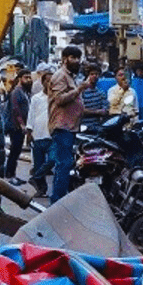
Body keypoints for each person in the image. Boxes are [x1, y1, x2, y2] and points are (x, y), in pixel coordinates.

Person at [48, 45, 97, 201]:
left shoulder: (70, 77)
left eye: (78, 58)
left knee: (65, 164)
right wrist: (79, 89)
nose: (76, 61)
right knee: (64, 164)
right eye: (72, 57)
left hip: (70, 127)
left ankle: (59, 198)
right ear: (64, 59)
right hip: (62, 127)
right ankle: (57, 200)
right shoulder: (60, 76)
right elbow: (59, 99)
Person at [26, 63, 55, 195]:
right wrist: (29, 131)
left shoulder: (56, 98)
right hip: (38, 133)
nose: (49, 84)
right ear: (42, 82)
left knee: (52, 159)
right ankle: (41, 189)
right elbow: (31, 115)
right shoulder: (36, 98)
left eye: (51, 81)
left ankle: (35, 177)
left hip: (52, 134)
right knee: (38, 163)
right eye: (47, 81)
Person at [5, 71, 32, 185]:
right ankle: (9, 175)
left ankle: (13, 174)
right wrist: (21, 124)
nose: (29, 80)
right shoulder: (16, 92)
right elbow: (15, 110)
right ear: (20, 78)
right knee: (14, 150)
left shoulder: (24, 92)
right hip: (15, 127)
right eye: (26, 77)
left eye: (30, 77)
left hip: (20, 127)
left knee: (17, 151)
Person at [80, 62, 109, 130]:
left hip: (97, 127)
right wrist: (97, 112)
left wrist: (104, 111)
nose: (94, 76)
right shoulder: (82, 92)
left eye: (96, 74)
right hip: (83, 127)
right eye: (92, 74)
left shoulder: (100, 92)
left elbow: (105, 109)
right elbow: (80, 110)